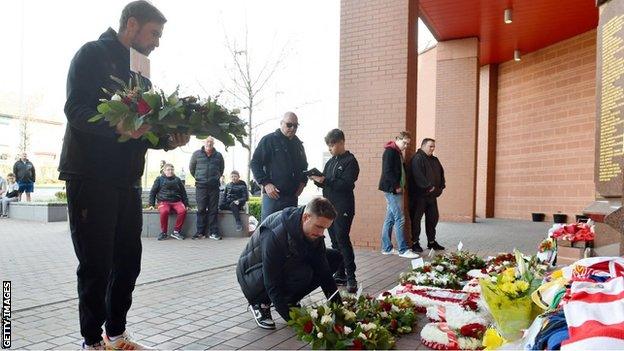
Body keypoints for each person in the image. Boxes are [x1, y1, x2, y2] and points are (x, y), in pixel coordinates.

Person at [59, 2, 190, 349]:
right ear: (131, 25)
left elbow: (146, 127)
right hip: (90, 176)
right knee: (96, 265)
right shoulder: (90, 55)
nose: (158, 43)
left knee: (128, 263)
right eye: (154, 34)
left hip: (126, 180)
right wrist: (114, 124)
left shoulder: (141, 72)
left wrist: (168, 139)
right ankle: (92, 341)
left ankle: (116, 333)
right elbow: (75, 109)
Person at [236, 197, 342, 329]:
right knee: (301, 272)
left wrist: (341, 313)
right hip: (253, 278)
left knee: (334, 258)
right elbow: (271, 282)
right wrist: (298, 323)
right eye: (319, 227)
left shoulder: (313, 232)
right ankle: (260, 303)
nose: (321, 233)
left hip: (283, 266)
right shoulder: (275, 232)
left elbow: (324, 272)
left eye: (325, 228)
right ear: (306, 217)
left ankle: (290, 300)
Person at [309, 129, 360, 293]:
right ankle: (340, 272)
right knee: (335, 242)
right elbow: (327, 183)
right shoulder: (330, 162)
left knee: (342, 239)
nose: (330, 148)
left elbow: (346, 184)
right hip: (329, 208)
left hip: (343, 206)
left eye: (332, 145)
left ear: (341, 142)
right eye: (328, 146)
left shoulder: (351, 161)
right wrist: (318, 180)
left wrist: (326, 180)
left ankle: (351, 277)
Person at [250, 112, 308, 221]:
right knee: (268, 230)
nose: (292, 128)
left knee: (289, 230)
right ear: (281, 123)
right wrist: (266, 183)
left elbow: (304, 166)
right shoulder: (269, 140)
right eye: (289, 125)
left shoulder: (298, 144)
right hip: (273, 196)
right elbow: (255, 163)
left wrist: (302, 183)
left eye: (295, 126)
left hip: (291, 197)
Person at [378, 131, 420, 259]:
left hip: (396, 189)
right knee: (400, 218)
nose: (406, 146)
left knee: (390, 219)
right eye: (405, 143)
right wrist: (396, 185)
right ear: (398, 139)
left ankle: (386, 248)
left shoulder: (397, 152)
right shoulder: (390, 151)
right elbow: (387, 171)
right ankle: (403, 250)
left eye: (408, 144)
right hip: (392, 190)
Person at [408, 138, 446, 252]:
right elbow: (418, 176)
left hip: (432, 196)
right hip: (419, 196)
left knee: (433, 219)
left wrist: (441, 187)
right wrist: (429, 187)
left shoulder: (434, 159)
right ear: (423, 146)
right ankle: (415, 242)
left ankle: (431, 242)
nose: (433, 148)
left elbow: (441, 173)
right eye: (430, 146)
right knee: (416, 220)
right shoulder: (417, 158)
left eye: (434, 146)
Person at [189, 136, 224, 240]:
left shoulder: (219, 155)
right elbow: (192, 168)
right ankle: (200, 232)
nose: (209, 143)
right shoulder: (196, 154)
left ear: (213, 143)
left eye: (211, 142)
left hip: (214, 186)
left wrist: (216, 177)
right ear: (204, 142)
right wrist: (199, 178)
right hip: (201, 186)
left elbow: (221, 169)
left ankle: (214, 232)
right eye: (207, 141)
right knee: (201, 209)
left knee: (213, 209)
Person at [148, 163, 190, 241]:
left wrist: (186, 204)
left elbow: (183, 193)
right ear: (164, 171)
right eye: (168, 170)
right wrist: (151, 204)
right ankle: (164, 233)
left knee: (183, 210)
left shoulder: (177, 180)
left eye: (172, 170)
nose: (170, 171)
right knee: (164, 211)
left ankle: (176, 232)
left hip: (176, 201)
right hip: (163, 202)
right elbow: (153, 192)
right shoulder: (159, 179)